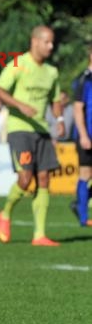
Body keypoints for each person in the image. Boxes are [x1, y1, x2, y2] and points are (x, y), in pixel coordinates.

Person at [0, 26, 64, 247]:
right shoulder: (18, 63)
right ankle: (5, 213)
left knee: (44, 178)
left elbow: (56, 100)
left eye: (52, 43)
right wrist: (20, 105)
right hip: (20, 130)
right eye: (47, 42)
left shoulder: (52, 72)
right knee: (25, 178)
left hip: (42, 130)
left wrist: (59, 120)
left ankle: (39, 235)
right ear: (34, 41)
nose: (51, 47)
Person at [71, 44, 92, 227]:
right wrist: (84, 135)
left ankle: (79, 204)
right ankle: (83, 216)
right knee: (85, 173)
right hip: (87, 135)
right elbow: (78, 109)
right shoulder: (84, 79)